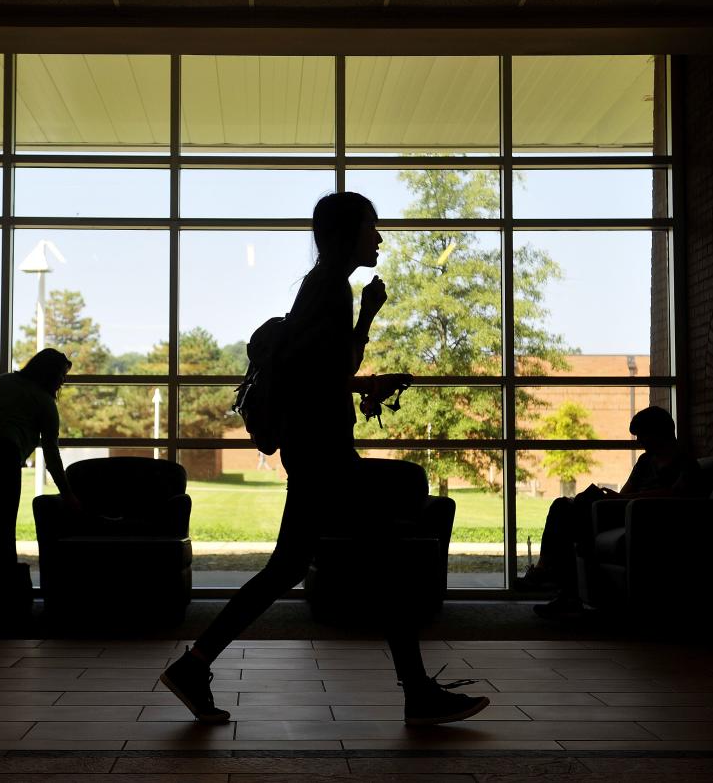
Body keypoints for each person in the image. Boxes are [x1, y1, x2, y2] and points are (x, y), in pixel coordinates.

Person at [160, 192, 490, 726]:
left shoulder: (320, 289)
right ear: (347, 232)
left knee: (286, 569)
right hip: (326, 455)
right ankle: (418, 693)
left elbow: (319, 374)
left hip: (314, 452)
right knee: (390, 562)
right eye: (372, 226)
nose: (379, 237)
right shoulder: (330, 291)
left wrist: (362, 365)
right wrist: (366, 319)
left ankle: (195, 665)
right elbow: (327, 373)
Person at [519, 405, 699, 620]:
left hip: (645, 518)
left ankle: (550, 576)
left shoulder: (686, 463)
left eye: (643, 435)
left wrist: (623, 500)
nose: (641, 442)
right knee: (563, 507)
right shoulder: (645, 461)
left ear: (658, 433)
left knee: (568, 516)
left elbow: (677, 496)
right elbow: (626, 491)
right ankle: (552, 577)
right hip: (625, 510)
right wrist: (614, 498)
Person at [0, 348, 81, 610]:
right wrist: (68, 494)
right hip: (1, 458)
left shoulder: (3, 381)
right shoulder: (44, 402)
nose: (63, 381)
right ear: (51, 374)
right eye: (62, 375)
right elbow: (52, 455)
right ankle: (0, 600)